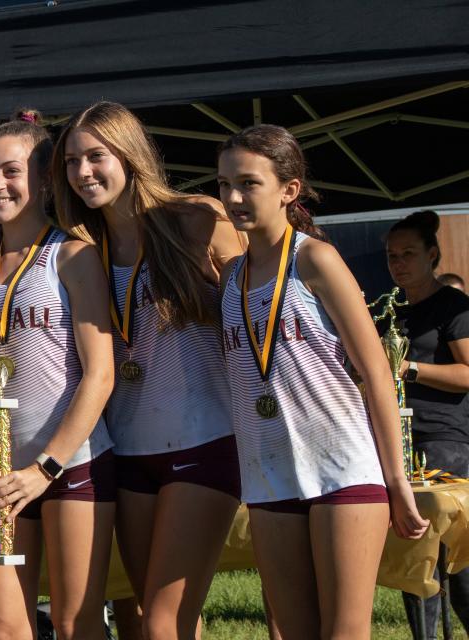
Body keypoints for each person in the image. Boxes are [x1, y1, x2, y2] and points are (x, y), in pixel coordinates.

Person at [217, 124, 428, 639]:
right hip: (270, 478)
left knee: (344, 632)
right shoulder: (230, 278)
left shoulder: (316, 259)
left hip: (342, 471)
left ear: (289, 190)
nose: (234, 197)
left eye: (249, 183)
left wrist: (396, 480)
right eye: (224, 184)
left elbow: (376, 371)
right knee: (290, 631)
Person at [52, 100, 244, 639]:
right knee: (144, 618)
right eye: (71, 161)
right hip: (129, 452)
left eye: (96, 156)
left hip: (203, 442)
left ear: (130, 154)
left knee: (163, 623)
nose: (83, 172)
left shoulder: (197, 218)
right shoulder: (81, 248)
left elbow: (258, 318)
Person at [0, 110, 116, 639]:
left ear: (43, 180)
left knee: (74, 622)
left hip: (69, 466)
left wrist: (45, 469)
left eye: (11, 171)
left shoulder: (74, 257)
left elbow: (99, 376)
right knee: (3, 627)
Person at [384, 210, 469, 637]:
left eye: (409, 254)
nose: (398, 263)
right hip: (399, 445)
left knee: (459, 567)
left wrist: (407, 368)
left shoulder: (454, 306)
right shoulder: (389, 310)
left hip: (447, 444)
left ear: (432, 255)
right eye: (391, 255)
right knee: (415, 559)